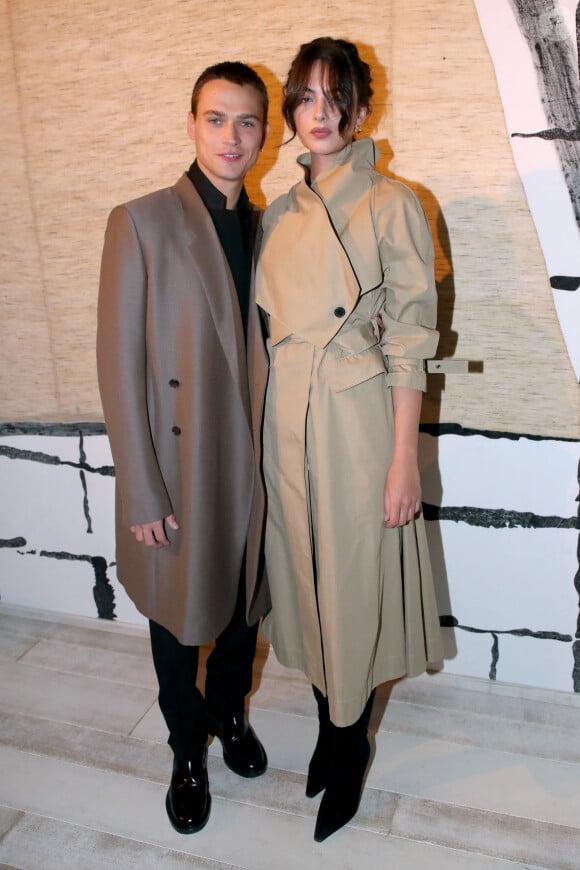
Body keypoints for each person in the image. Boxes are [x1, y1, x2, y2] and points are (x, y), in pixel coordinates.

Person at [255, 37, 444, 842]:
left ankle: (347, 743)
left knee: (355, 582)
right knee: (304, 574)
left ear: (362, 109)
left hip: (359, 419)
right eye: (305, 97)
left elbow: (411, 336)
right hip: (286, 418)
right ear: (293, 111)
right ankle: (333, 724)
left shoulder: (394, 202)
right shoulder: (278, 209)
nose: (320, 113)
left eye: (336, 97)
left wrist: (405, 457)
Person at [97, 61, 271, 835]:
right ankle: (186, 749)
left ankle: (229, 716)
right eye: (215, 118)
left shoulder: (276, 227)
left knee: (241, 611)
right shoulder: (141, 221)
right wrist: (140, 491)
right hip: (182, 465)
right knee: (177, 619)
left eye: (247, 122)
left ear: (266, 133)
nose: (230, 137)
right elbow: (117, 364)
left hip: (257, 466)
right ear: (191, 123)